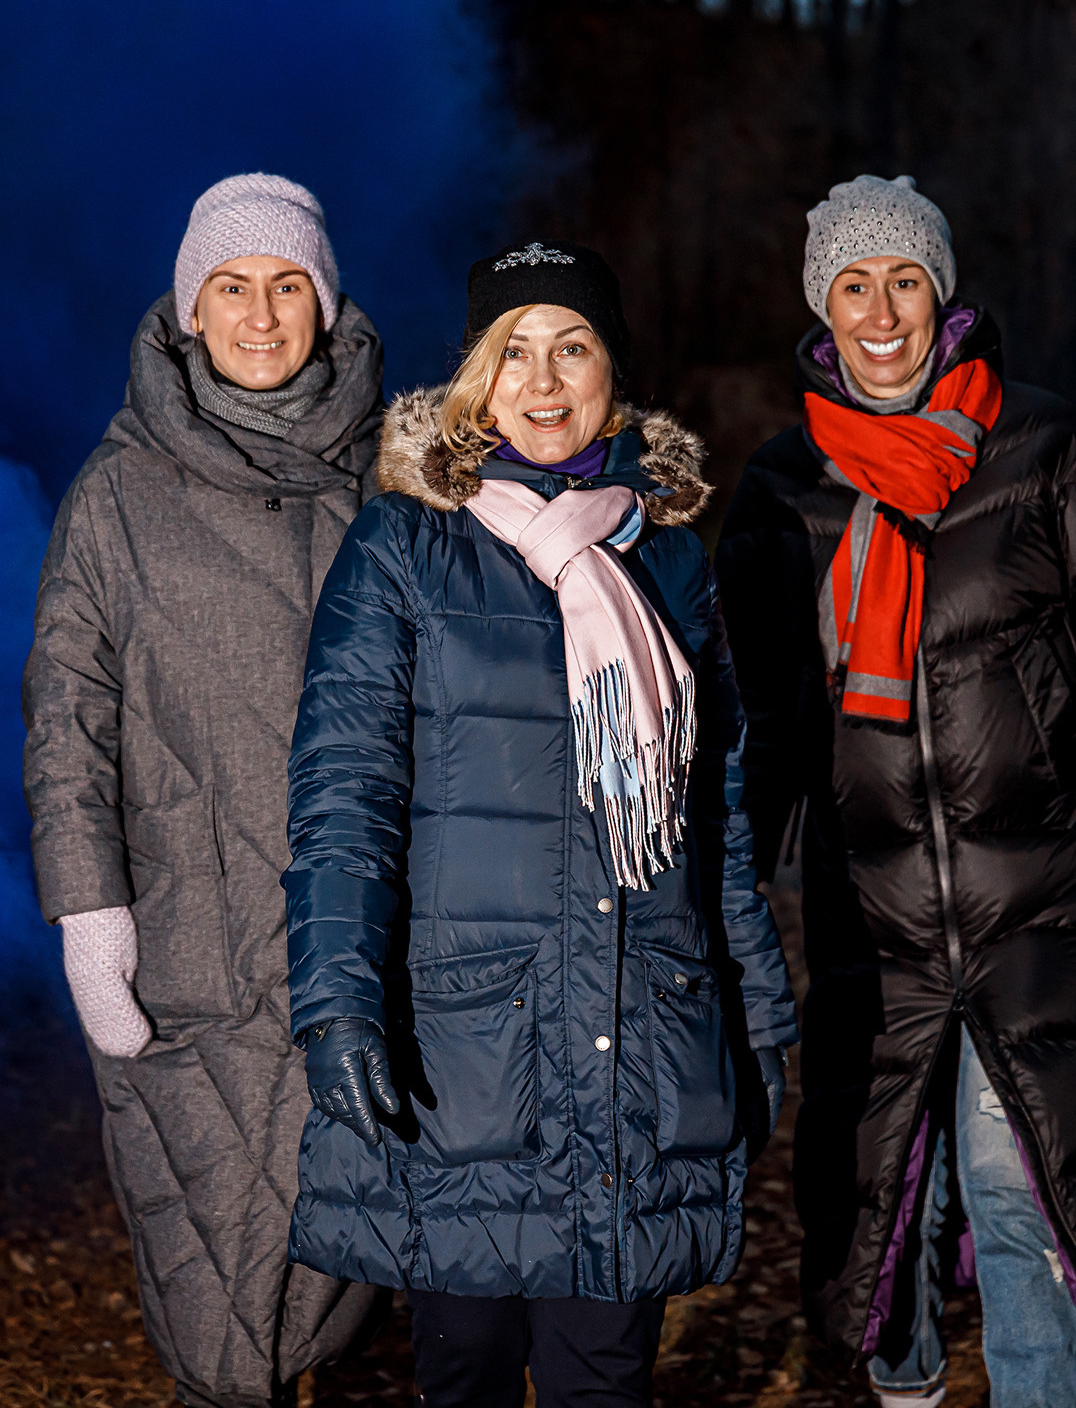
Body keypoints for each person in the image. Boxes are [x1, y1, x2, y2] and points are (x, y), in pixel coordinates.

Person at [712, 177, 1076, 1408]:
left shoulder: (1045, 445)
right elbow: (756, 717)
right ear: (821, 306)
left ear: (942, 291)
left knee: (1023, 1191)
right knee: (886, 1207)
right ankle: (905, 1393)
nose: (881, 310)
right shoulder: (782, 485)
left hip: (1038, 891)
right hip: (869, 905)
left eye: (904, 278)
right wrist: (718, 889)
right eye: (852, 284)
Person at [281, 241, 799, 1408]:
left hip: (638, 1047)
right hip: (468, 1060)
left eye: (573, 346)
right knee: (461, 1370)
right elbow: (341, 801)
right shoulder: (401, 549)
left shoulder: (667, 561)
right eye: (513, 349)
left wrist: (757, 1014)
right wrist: (336, 1004)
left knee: (604, 1380)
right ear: (475, 377)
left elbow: (712, 813)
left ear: (613, 372)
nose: (545, 378)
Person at [22, 173, 388, 1408]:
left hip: (357, 946)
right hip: (185, 950)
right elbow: (67, 720)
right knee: (212, 1294)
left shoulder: (395, 475)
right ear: (188, 310)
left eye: (289, 286)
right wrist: (87, 913)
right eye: (231, 287)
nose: (261, 314)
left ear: (325, 307)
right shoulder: (115, 497)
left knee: (329, 1290)